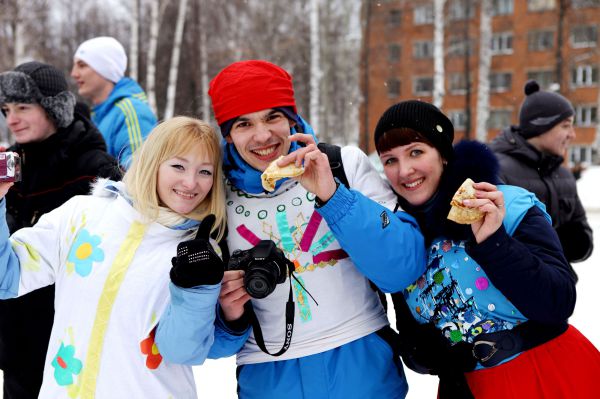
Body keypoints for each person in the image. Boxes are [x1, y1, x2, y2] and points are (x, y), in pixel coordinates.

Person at [205, 60, 426, 399]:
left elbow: (402, 267)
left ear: (292, 117)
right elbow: (208, 342)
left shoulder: (343, 165)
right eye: (244, 123)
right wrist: (231, 317)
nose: (263, 135)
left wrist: (333, 195)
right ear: (228, 134)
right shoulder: (213, 198)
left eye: (272, 117)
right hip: (270, 380)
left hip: (362, 368)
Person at [373, 100, 600, 398]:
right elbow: (415, 343)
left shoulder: (506, 204)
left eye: (416, 152)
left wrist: (495, 244)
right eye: (390, 160)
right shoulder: (400, 237)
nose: (404, 170)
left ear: (442, 154)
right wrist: (429, 354)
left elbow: (558, 301)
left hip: (549, 376)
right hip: (467, 389)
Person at [0, 116, 228, 397]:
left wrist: (195, 289)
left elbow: (181, 350)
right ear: (151, 163)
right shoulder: (82, 215)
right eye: (178, 166)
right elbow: (6, 276)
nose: (190, 182)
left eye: (205, 172)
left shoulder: (199, 251)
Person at [0, 61, 121, 399]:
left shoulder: (95, 168)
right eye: (6, 109)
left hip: (73, 342)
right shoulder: (11, 166)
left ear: (54, 108)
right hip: (17, 339)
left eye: (23, 106)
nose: (11, 119)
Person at [490, 80, 593, 266]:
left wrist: (570, 243)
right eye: (565, 125)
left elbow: (584, 236)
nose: (573, 134)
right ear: (541, 125)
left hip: (556, 287)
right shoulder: (497, 170)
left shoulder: (564, 175)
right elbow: (492, 242)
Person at [71, 36, 157, 168]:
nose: (74, 73)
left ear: (105, 68)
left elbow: (138, 174)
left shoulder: (131, 112)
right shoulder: (99, 115)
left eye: (82, 65)